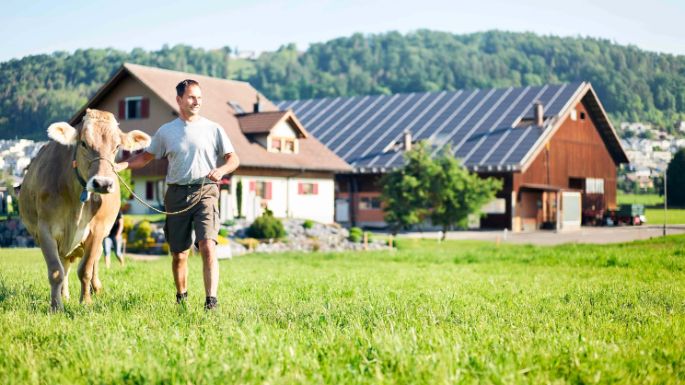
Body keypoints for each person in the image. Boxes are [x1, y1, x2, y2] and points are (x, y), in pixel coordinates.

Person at [127, 79, 240, 310]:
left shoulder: (214, 128)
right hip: (176, 195)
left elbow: (233, 159)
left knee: (208, 245)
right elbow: (144, 158)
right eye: (191, 97)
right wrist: (120, 165)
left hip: (205, 190)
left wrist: (221, 170)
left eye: (199, 97)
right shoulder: (166, 132)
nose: (196, 101)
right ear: (179, 100)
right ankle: (182, 298)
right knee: (179, 254)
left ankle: (211, 301)